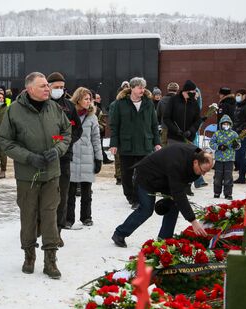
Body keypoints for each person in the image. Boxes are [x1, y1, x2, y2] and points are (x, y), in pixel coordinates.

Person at [0, 72, 71, 279]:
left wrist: (57, 150)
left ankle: (51, 261)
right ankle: (29, 256)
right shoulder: (14, 111)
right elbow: (5, 140)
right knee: (28, 216)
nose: (48, 89)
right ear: (30, 89)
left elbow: (66, 132)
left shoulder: (55, 108)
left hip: (52, 173)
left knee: (50, 215)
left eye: (48, 85)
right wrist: (28, 157)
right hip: (27, 175)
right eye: (43, 86)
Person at [111, 145, 212, 247]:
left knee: (174, 205)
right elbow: (179, 193)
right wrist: (193, 221)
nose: (203, 174)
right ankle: (120, 233)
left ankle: (164, 240)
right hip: (147, 176)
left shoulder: (196, 157)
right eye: (203, 170)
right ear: (195, 162)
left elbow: (179, 189)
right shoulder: (177, 163)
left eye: (206, 172)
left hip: (165, 179)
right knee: (146, 209)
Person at [109, 77, 161, 209]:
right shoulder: (120, 104)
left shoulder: (149, 103)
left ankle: (140, 198)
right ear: (131, 88)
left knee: (143, 174)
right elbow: (114, 125)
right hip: (127, 145)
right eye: (139, 87)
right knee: (127, 175)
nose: (142, 90)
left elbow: (154, 125)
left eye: (143, 87)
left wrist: (157, 142)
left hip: (145, 145)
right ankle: (131, 196)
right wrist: (114, 144)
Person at [46, 72, 82, 239]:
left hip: (64, 157)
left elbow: (76, 129)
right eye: (56, 87)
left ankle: (57, 230)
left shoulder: (68, 106)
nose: (59, 90)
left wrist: (64, 142)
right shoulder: (42, 104)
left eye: (62, 87)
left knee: (62, 195)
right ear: (48, 86)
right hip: (44, 157)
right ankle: (42, 225)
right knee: (45, 194)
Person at [67, 87, 103, 227]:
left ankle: (86, 217)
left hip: (88, 157)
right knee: (69, 193)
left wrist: (98, 158)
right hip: (71, 156)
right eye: (86, 99)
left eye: (90, 99)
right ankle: (68, 219)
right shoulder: (68, 114)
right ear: (78, 99)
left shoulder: (92, 117)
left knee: (86, 192)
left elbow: (96, 139)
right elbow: (60, 135)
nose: (89, 102)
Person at [209, 114, 241, 199]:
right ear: (221, 124)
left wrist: (236, 145)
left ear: (230, 124)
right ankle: (217, 192)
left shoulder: (234, 134)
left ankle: (228, 193)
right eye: (224, 124)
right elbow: (211, 143)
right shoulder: (217, 133)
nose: (225, 125)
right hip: (219, 159)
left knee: (228, 177)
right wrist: (219, 147)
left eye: (227, 124)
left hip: (229, 159)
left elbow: (238, 145)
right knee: (217, 177)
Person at [163, 80, 203, 145]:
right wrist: (176, 130)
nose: (195, 93)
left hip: (189, 139)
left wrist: (190, 131)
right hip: (173, 138)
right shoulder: (173, 100)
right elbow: (166, 118)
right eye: (193, 91)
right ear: (186, 91)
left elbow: (198, 120)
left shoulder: (194, 103)